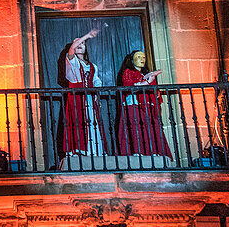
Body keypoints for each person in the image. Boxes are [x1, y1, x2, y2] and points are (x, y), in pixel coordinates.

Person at [59, 29, 107, 159]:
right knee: (78, 122)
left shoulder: (93, 66)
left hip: (90, 98)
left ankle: (94, 150)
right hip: (77, 98)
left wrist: (97, 93)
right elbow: (72, 49)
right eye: (77, 43)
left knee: (92, 122)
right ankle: (79, 150)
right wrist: (87, 36)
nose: (80, 45)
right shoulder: (72, 62)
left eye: (83, 44)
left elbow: (97, 81)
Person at [116, 50, 172, 158]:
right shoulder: (128, 72)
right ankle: (137, 151)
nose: (142, 59)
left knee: (149, 127)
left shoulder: (145, 74)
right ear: (132, 60)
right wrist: (146, 82)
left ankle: (153, 151)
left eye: (144, 57)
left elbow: (153, 89)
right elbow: (129, 87)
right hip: (134, 104)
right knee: (136, 127)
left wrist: (156, 92)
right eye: (139, 57)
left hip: (146, 106)